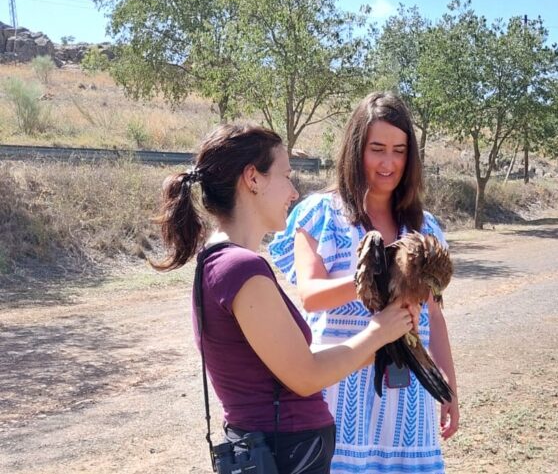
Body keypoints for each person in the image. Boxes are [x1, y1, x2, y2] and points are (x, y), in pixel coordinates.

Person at [152, 124, 418, 474]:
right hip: (288, 453)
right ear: (253, 178)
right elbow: (305, 376)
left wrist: (382, 342)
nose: (293, 192)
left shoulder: (219, 262)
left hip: (278, 450)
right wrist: (378, 332)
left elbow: (289, 362)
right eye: (287, 176)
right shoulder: (240, 268)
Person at [269, 92, 459, 473]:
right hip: (341, 392)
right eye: (377, 149)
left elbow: (434, 317)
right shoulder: (321, 214)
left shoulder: (425, 227)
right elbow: (310, 295)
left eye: (399, 151)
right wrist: (375, 276)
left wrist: (448, 385)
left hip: (409, 399)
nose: (388, 163)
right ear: (356, 150)